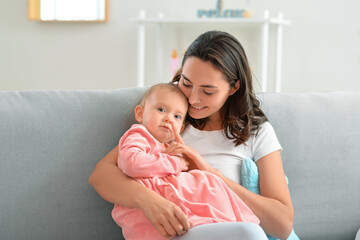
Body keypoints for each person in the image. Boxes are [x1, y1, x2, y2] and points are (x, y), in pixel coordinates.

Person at [89, 30, 294, 240]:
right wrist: (149, 201)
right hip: (174, 232)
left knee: (249, 233)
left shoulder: (257, 133)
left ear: (234, 88)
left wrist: (213, 175)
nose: (193, 99)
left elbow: (283, 225)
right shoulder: (168, 121)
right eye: (186, 83)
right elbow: (101, 175)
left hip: (228, 232)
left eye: (208, 91)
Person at [113, 83, 260, 240]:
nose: (168, 118)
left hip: (174, 215)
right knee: (204, 181)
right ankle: (224, 221)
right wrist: (175, 164)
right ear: (140, 114)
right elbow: (132, 163)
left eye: (176, 116)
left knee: (207, 180)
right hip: (152, 217)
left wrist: (182, 163)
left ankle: (226, 220)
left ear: (181, 127)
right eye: (161, 110)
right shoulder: (138, 134)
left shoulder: (165, 146)